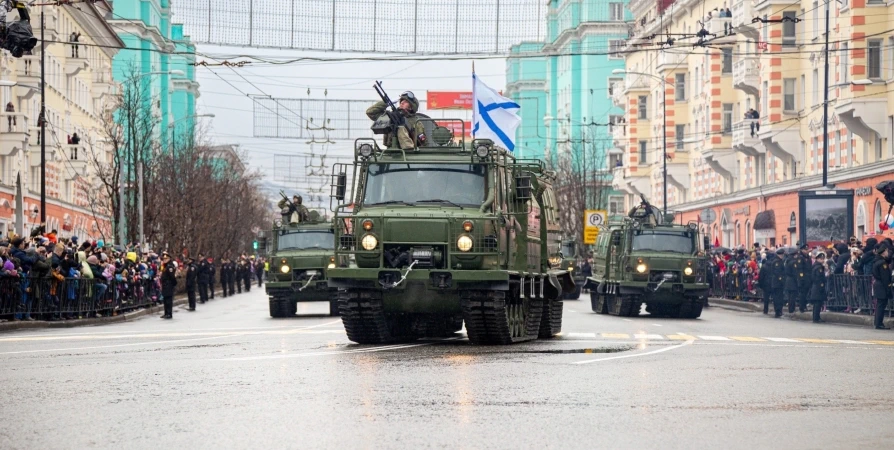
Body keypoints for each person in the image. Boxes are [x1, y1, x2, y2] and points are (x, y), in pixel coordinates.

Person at [871, 245, 892, 330]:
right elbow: (885, 277)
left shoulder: (876, 261)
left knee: (879, 305)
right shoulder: (882, 263)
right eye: (887, 251)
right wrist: (888, 288)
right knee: (881, 305)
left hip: (878, 284)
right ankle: (879, 323)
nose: (888, 253)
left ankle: (877, 322)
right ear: (883, 252)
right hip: (882, 286)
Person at [809, 253, 827, 323]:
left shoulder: (816, 266)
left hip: (816, 286)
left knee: (817, 303)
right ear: (817, 259)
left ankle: (816, 317)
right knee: (817, 304)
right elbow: (818, 278)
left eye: (823, 259)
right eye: (821, 259)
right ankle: (816, 318)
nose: (822, 260)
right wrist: (822, 284)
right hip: (818, 287)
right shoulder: (818, 267)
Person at [794, 244, 812, 313]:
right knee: (802, 293)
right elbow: (800, 269)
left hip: (808, 278)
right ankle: (802, 307)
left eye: (807, 250)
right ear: (802, 250)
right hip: (803, 278)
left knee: (806, 293)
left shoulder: (808, 257)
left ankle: (804, 306)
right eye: (805, 250)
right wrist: (801, 278)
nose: (806, 251)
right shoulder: (800, 257)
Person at [160, 253, 177, 319]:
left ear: (169, 259)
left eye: (166, 259)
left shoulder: (170, 266)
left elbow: (172, 276)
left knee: (169, 300)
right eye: (164, 259)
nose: (164, 260)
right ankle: (166, 313)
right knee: (165, 299)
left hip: (169, 285)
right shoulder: (165, 266)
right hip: (165, 285)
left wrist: (173, 283)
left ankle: (169, 313)